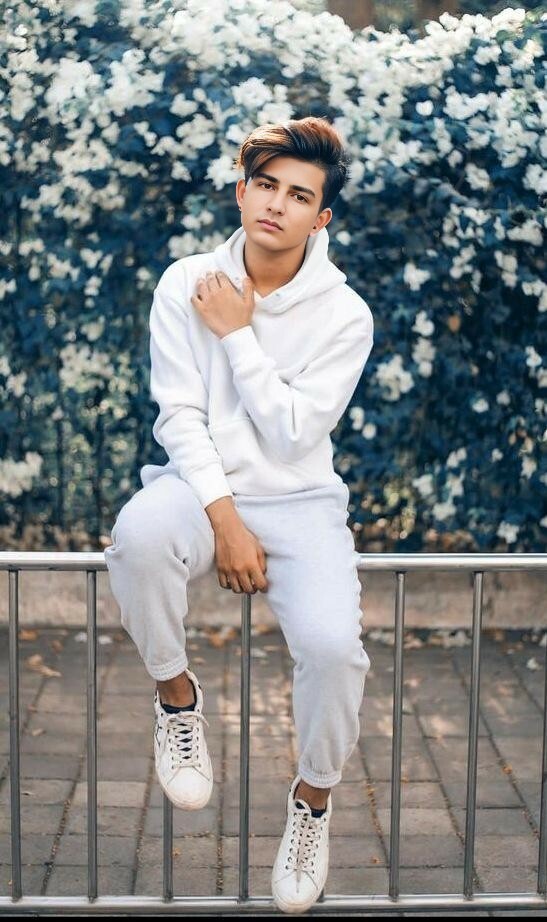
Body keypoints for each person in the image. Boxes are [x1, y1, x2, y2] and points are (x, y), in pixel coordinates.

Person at [104, 115, 374, 914]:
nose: (276, 205)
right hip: (199, 487)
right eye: (265, 185)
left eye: (298, 195)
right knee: (139, 535)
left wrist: (237, 335)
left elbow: (292, 434)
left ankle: (312, 803)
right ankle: (176, 699)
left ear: (320, 218)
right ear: (241, 190)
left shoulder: (345, 315)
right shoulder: (186, 281)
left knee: (333, 650)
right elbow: (179, 415)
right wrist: (223, 520)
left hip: (300, 500)